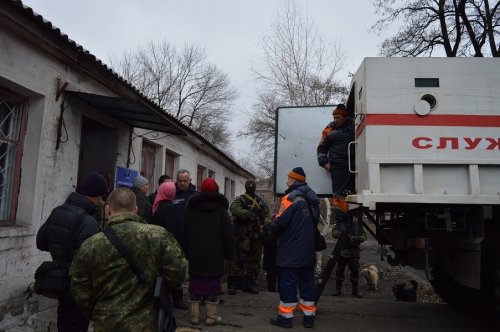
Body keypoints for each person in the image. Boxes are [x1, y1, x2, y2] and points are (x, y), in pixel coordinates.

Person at [69, 187, 187, 332]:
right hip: (148, 321)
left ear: (108, 209)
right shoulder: (159, 235)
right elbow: (178, 272)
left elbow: (79, 288)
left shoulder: (91, 245)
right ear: (135, 209)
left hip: (106, 322)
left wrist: (97, 312)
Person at [36, 173, 108, 332]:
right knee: (76, 324)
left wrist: (60, 250)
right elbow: (95, 261)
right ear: (95, 195)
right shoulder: (89, 223)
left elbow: (41, 243)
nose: (101, 201)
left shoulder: (58, 211)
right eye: (101, 196)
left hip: (61, 281)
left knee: (64, 320)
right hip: (79, 285)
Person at [267, 167, 320, 329]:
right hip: (307, 251)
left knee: (288, 284)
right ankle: (309, 318)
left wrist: (273, 220)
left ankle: (285, 318)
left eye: (289, 179)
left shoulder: (290, 198)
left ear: (294, 181)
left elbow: (280, 223)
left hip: (290, 251)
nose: (286, 181)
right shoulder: (313, 199)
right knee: (307, 284)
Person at [181, 177, 234, 326]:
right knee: (212, 285)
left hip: (195, 254)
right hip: (215, 255)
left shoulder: (191, 208)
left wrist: (186, 251)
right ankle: (211, 317)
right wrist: (229, 253)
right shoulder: (221, 210)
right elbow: (228, 234)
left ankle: (194, 316)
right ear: (216, 190)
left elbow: (184, 231)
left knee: (195, 283)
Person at [228, 179, 270, 295]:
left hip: (256, 234)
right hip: (243, 233)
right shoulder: (240, 199)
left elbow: (267, 214)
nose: (251, 188)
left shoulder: (260, 201)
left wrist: (266, 223)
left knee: (254, 259)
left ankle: (249, 284)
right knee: (239, 257)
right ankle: (233, 284)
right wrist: (247, 214)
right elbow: (233, 208)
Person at [317, 103, 355, 228]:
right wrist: (324, 163)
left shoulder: (355, 125)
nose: (335, 120)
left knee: (355, 195)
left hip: (356, 167)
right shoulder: (329, 129)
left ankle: (353, 224)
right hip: (338, 167)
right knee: (339, 196)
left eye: (338, 117)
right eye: (334, 117)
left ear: (345, 117)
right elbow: (321, 148)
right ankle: (341, 225)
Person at [171, 169, 198, 309]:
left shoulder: (196, 196)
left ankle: (196, 296)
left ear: (190, 180)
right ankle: (178, 298)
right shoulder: (172, 194)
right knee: (177, 270)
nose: (182, 183)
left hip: (193, 237)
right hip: (176, 237)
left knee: (194, 269)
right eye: (180, 181)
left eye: (185, 181)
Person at [332, 217, 367, 298]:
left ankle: (355, 291)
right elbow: (334, 233)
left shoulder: (358, 223)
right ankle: (338, 290)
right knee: (339, 271)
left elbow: (364, 236)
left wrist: (358, 238)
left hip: (354, 253)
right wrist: (343, 232)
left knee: (355, 271)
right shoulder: (340, 223)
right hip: (342, 252)